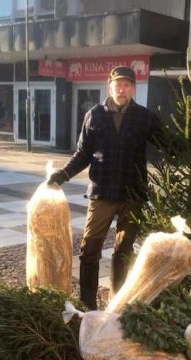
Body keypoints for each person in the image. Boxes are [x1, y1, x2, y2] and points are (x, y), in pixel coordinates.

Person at [47, 66, 160, 310]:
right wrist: (63, 174)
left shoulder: (145, 117)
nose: (122, 89)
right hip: (102, 193)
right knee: (89, 249)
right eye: (118, 84)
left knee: (124, 250)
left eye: (127, 85)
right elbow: (83, 153)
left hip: (133, 194)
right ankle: (88, 304)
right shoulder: (94, 115)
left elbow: (167, 144)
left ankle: (117, 301)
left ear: (133, 89)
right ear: (109, 86)